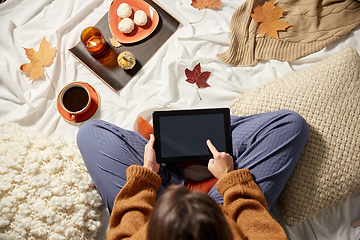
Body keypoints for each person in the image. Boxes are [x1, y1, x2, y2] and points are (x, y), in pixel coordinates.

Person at [76, 110, 309, 240]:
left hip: (154, 209)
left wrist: (146, 177)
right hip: (225, 205)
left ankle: (177, 159)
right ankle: (203, 149)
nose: (180, 193)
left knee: (89, 132)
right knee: (290, 125)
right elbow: (258, 226)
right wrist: (229, 179)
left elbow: (125, 228)